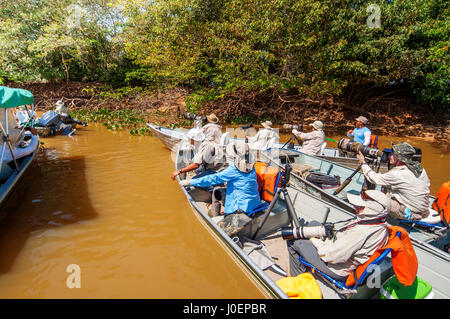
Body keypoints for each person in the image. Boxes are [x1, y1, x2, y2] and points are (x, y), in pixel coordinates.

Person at [289, 190, 390, 279]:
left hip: (336, 268)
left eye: (360, 206)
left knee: (293, 241)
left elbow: (332, 256)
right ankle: (306, 261)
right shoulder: (378, 224)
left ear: (372, 210)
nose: (355, 207)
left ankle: (298, 280)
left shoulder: (360, 232)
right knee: (313, 224)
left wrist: (314, 241)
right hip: (341, 250)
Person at [179, 141, 261, 216]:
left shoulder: (234, 169)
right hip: (254, 202)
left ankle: (216, 216)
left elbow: (213, 178)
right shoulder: (251, 166)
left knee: (216, 190)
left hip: (240, 207)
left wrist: (191, 182)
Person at [356, 142, 431, 221]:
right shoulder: (419, 168)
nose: (389, 156)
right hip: (423, 209)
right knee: (385, 186)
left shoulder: (398, 174)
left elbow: (374, 178)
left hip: (412, 212)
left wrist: (363, 163)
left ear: (400, 158)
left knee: (377, 198)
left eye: (392, 154)